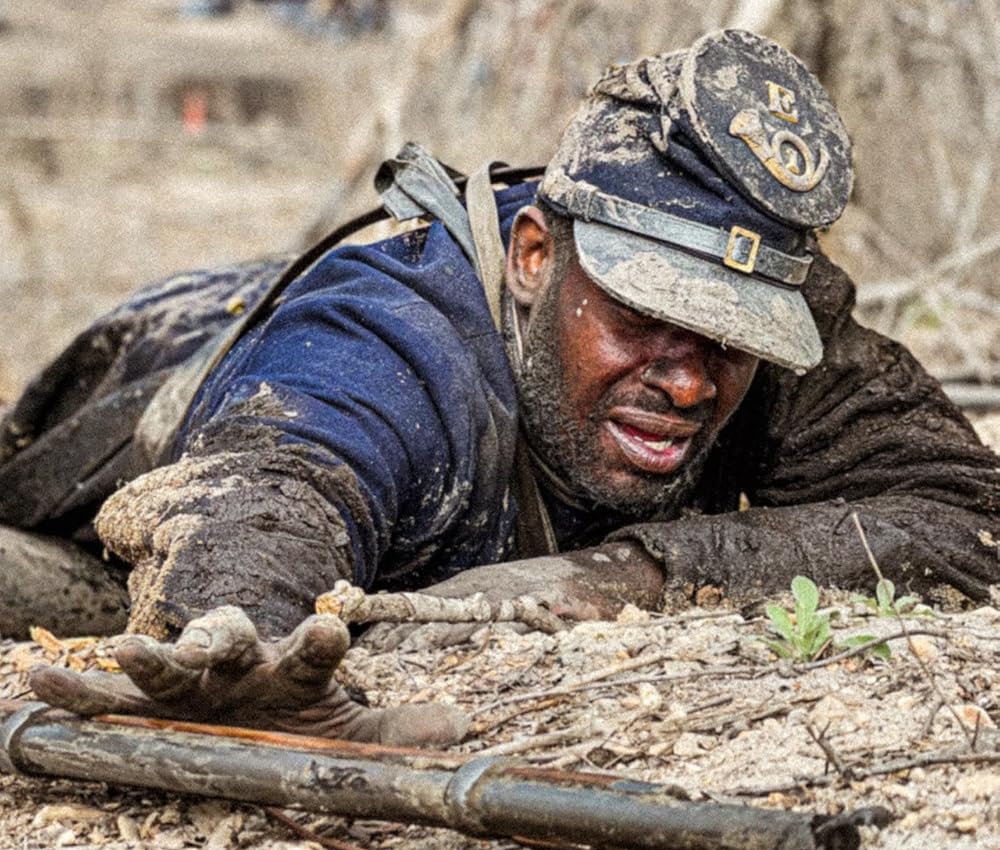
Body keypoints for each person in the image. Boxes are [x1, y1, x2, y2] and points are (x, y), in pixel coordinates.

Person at [6, 30, 998, 747]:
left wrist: (635, 574)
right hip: (156, 375)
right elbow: (273, 482)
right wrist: (246, 639)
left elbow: (970, 514)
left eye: (728, 338)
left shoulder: (772, 338)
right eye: (644, 315)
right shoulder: (388, 340)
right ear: (534, 255)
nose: (690, 378)